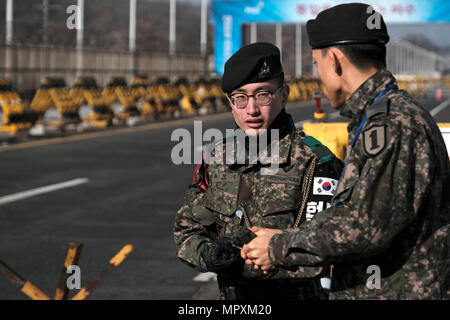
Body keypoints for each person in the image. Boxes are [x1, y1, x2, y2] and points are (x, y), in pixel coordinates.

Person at [241, 3, 450, 299]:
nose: (320, 77)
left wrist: (278, 248)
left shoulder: (390, 124)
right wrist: (287, 237)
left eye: (317, 65)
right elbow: (358, 211)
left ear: (335, 61)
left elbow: (365, 227)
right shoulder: (386, 116)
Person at [174, 42, 344, 300]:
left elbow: (329, 247)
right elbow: (188, 229)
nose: (251, 109)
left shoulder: (315, 160)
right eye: (240, 98)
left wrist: (245, 263)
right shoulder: (217, 158)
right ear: (230, 102)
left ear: (284, 95)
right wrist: (207, 255)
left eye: (263, 95)